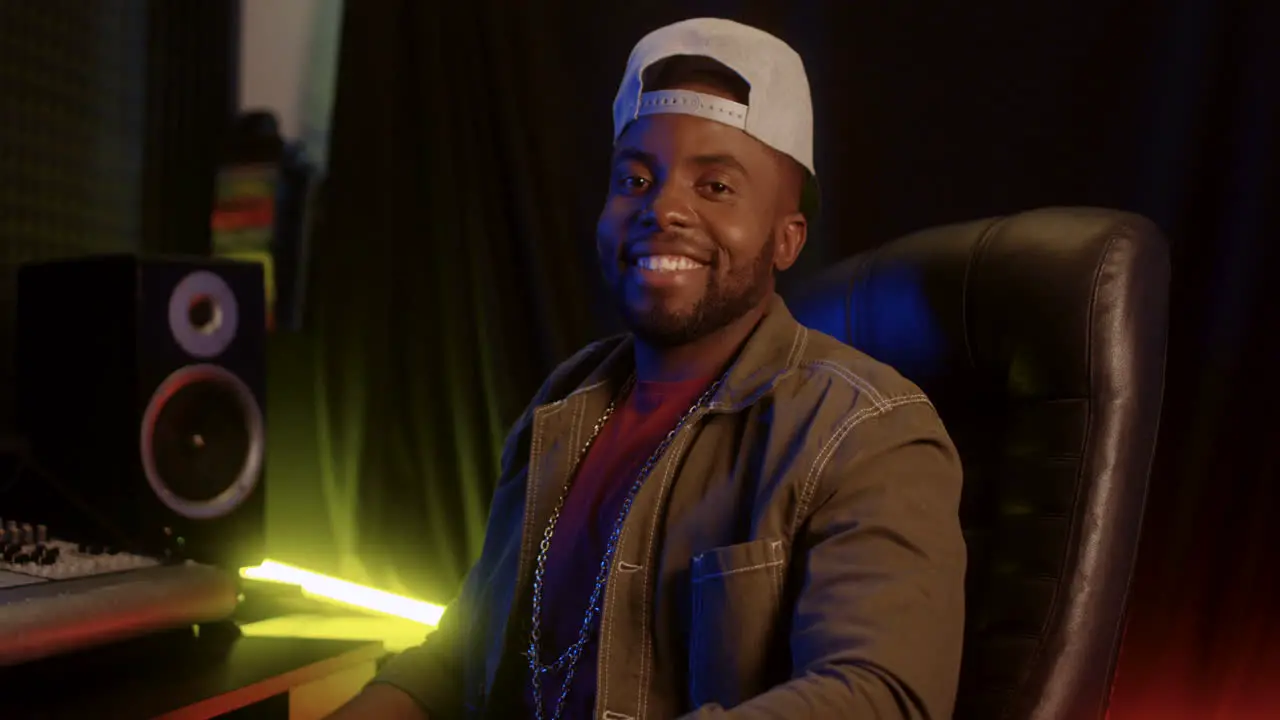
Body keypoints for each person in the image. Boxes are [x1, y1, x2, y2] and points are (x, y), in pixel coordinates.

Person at [328, 17, 965, 720]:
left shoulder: (866, 430)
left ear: (787, 238)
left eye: (716, 186)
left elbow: (881, 697)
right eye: (635, 178)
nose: (662, 210)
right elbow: (463, 653)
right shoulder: (564, 403)